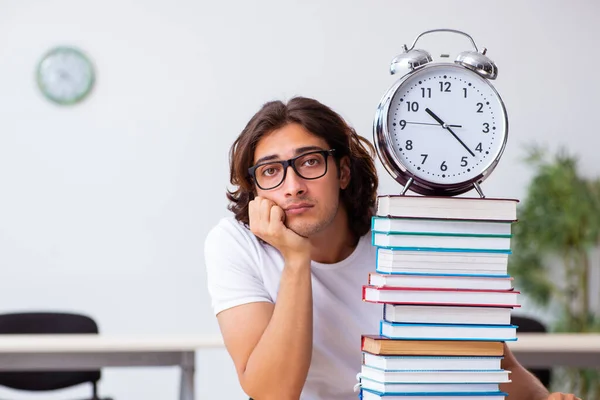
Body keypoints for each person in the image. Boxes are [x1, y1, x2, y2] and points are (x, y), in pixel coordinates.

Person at [204, 96, 580, 400]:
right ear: (255, 189)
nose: (293, 186)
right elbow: (272, 393)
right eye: (271, 171)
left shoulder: (406, 235)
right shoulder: (234, 244)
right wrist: (297, 260)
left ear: (343, 172)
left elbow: (490, 363)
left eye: (310, 162)